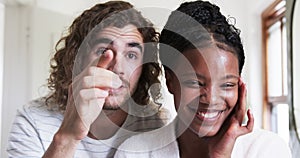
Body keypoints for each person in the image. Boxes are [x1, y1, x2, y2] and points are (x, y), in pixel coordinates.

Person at [114, 1, 292, 157]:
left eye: (228, 84)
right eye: (195, 83)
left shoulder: (267, 150)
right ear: (170, 81)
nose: (211, 99)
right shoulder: (134, 152)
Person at [7, 1, 170, 157]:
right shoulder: (34, 119)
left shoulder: (154, 124)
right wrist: (67, 136)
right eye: (103, 51)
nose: (117, 68)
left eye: (131, 55)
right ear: (77, 60)